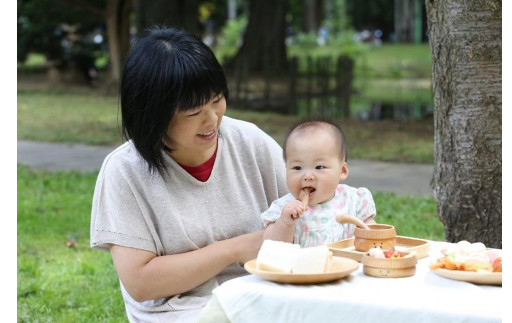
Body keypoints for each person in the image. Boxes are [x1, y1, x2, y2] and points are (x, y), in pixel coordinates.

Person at [89, 26, 288, 322]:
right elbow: (141, 283)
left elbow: (310, 216)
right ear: (153, 115)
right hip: (182, 310)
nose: (212, 119)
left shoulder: (251, 142)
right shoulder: (124, 171)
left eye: (217, 99)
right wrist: (234, 249)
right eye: (194, 112)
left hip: (265, 293)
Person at [261, 119, 377, 247]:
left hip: (348, 266)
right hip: (301, 267)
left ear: (342, 171)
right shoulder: (285, 208)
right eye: (297, 168)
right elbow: (270, 244)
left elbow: (371, 231)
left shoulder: (354, 201)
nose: (307, 176)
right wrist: (285, 223)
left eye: (319, 167)